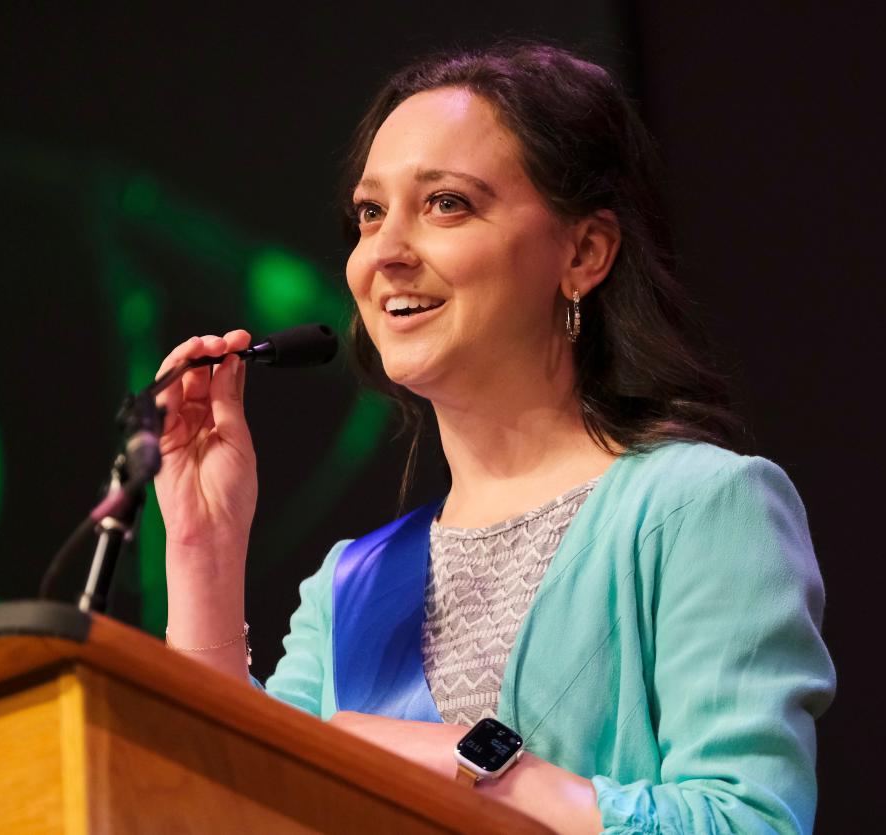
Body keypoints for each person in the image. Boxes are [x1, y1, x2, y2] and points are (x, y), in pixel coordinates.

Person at [154, 42, 835, 834]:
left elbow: (751, 820)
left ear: (583, 252)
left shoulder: (700, 505)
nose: (385, 253)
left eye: (446, 203)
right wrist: (203, 549)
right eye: (370, 213)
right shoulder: (353, 582)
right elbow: (215, 808)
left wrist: (468, 763)